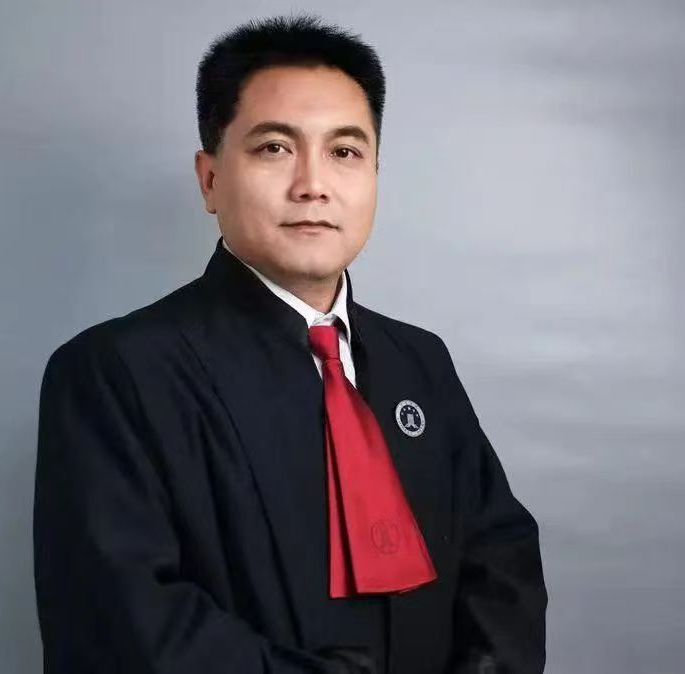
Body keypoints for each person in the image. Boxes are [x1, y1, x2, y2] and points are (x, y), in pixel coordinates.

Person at [33, 14, 547, 674]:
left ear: (375, 173)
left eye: (345, 152)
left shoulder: (420, 360)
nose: (313, 185)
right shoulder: (115, 372)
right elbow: (123, 622)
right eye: (274, 148)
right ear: (209, 179)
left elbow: (500, 558)